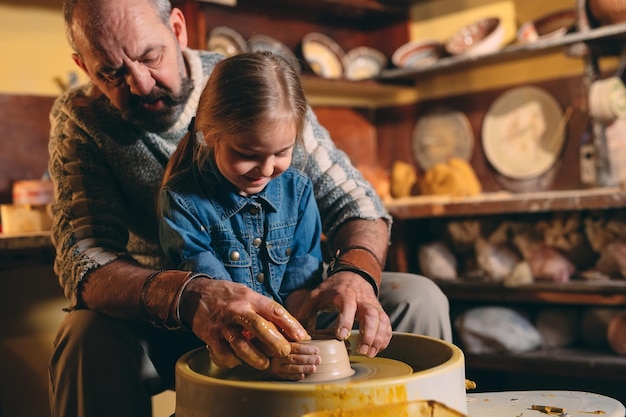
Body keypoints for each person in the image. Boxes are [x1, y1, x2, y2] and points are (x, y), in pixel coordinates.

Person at [48, 0, 452, 416]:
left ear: (177, 29)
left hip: (288, 295)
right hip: (168, 315)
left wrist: (354, 275)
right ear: (83, 64)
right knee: (85, 334)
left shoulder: (251, 83)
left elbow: (358, 203)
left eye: (151, 57)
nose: (140, 83)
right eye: (110, 72)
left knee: (419, 297)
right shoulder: (82, 117)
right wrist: (188, 295)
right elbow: (86, 259)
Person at [158, 51, 324, 380]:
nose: (265, 169)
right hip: (218, 342)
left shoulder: (299, 191)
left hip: (285, 336)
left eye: (281, 153)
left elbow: (301, 285)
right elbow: (218, 302)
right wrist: (268, 350)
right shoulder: (181, 200)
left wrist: (295, 343)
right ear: (210, 134)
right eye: (247, 154)